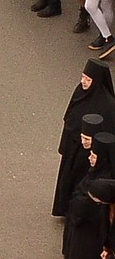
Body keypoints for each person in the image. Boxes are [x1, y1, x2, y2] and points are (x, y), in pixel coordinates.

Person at [54, 60, 115, 218]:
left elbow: (108, 134)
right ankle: (64, 207)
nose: (83, 82)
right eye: (83, 77)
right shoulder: (80, 91)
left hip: (88, 152)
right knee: (67, 177)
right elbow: (70, 115)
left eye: (88, 79)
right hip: (73, 146)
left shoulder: (108, 106)